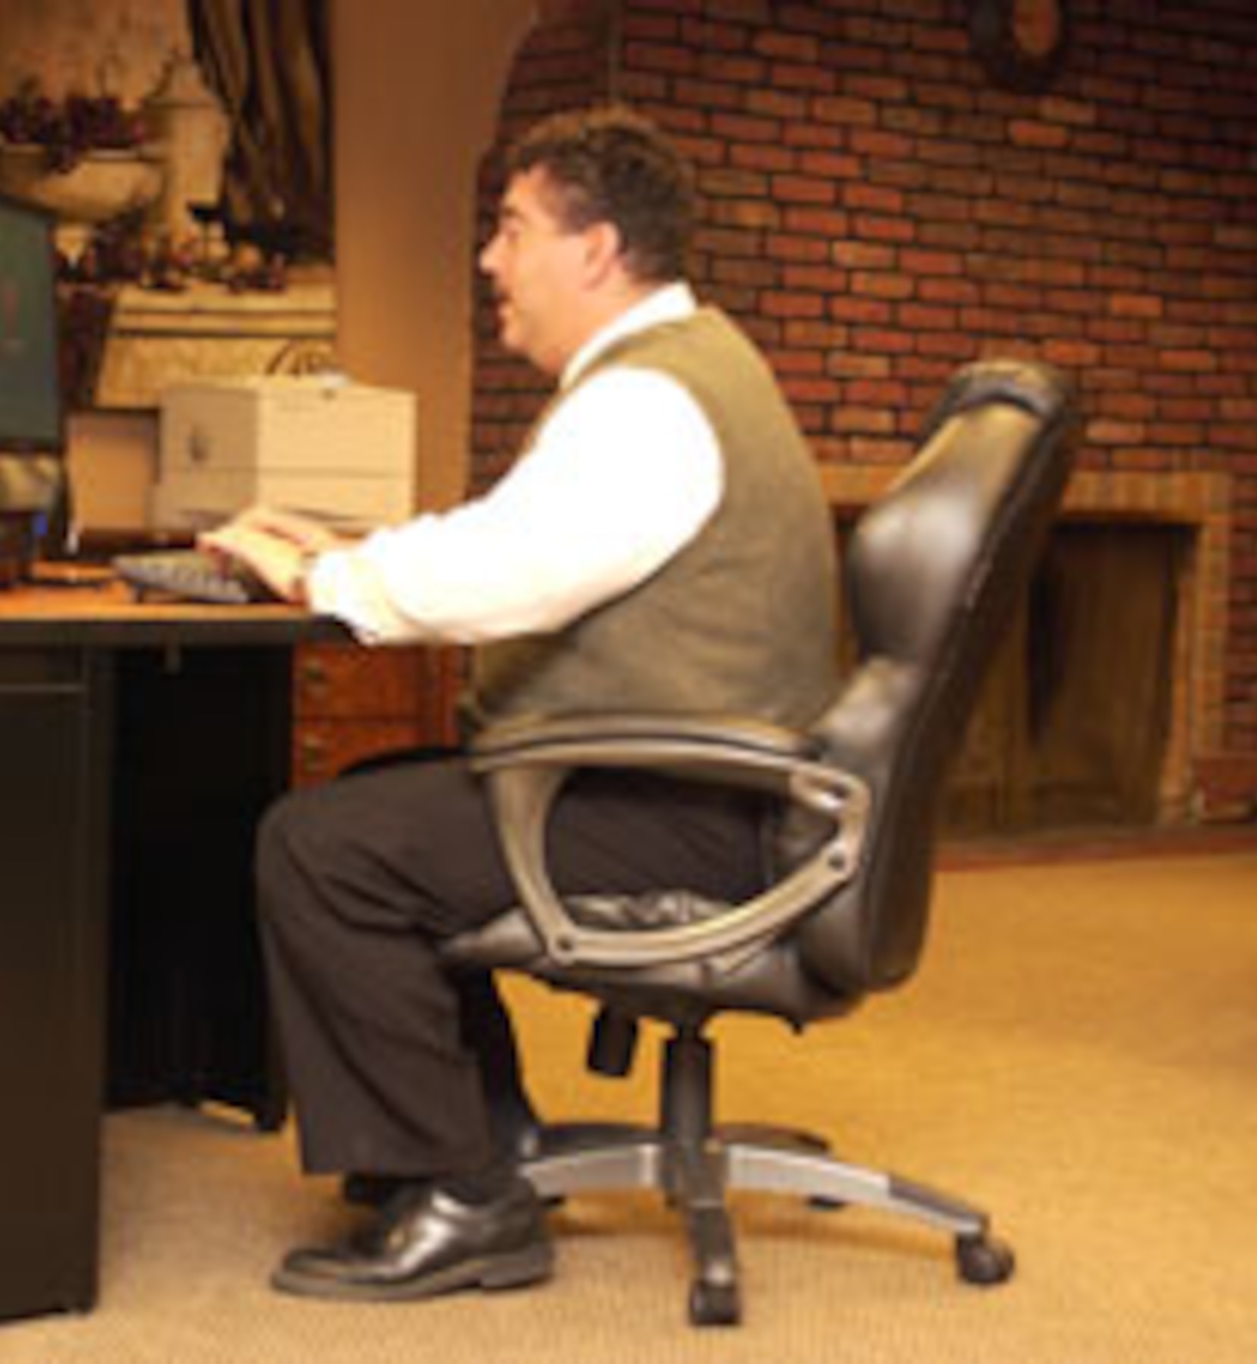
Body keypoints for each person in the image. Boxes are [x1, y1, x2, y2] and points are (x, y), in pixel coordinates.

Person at [199, 103, 839, 1303]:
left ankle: (464, 1195)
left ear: (593, 251)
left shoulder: (648, 403)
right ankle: (475, 1137)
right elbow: (522, 536)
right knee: (373, 804)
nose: (489, 258)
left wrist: (319, 575)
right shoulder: (675, 373)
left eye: (510, 228)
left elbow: (508, 576)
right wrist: (357, 546)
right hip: (711, 789)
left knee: (322, 848)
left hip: (693, 810)